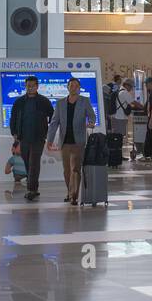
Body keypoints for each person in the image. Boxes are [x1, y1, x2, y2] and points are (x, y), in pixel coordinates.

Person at [45, 76, 97, 205]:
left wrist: (91, 122)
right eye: (71, 85)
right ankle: (69, 191)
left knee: (76, 169)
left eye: (75, 86)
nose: (73, 88)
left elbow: (92, 115)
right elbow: (54, 122)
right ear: (67, 87)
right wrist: (49, 139)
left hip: (78, 141)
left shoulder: (84, 101)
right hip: (65, 141)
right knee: (67, 169)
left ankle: (74, 195)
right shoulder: (60, 103)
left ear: (79, 88)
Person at [9, 76, 53, 201]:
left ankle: (31, 189)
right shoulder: (19, 102)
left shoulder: (44, 101)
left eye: (33, 85)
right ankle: (34, 187)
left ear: (37, 86)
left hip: (38, 138)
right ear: (25, 86)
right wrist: (14, 132)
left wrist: (47, 130)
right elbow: (13, 118)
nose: (30, 88)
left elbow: (53, 116)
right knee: (27, 162)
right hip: (23, 138)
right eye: (28, 85)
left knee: (34, 162)